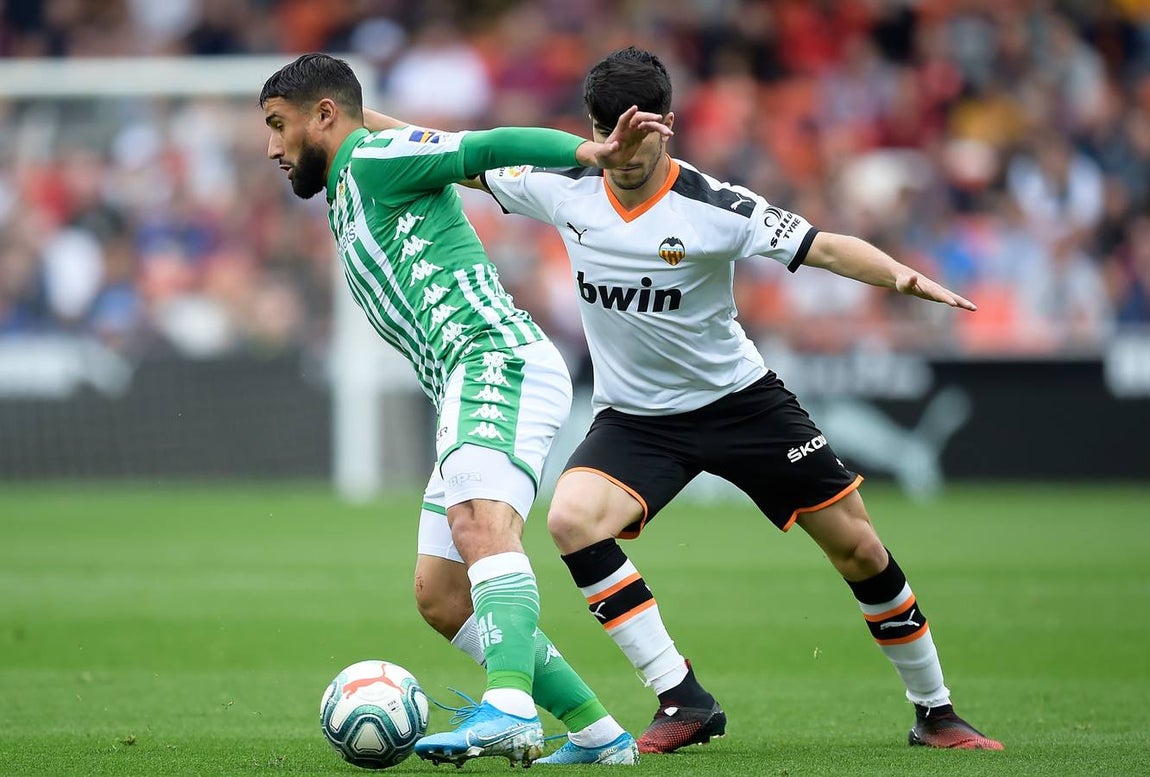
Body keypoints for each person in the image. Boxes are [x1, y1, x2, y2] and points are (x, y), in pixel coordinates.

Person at [471, 46, 1004, 754]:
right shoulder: (561, 184)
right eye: (614, 139)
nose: (626, 156)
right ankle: (682, 698)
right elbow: (442, 154)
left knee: (859, 546)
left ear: (669, 124)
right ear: (595, 127)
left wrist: (902, 277)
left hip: (740, 403)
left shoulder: (714, 206)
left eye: (643, 138)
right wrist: (359, 136)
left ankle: (935, 711)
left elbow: (827, 247)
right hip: (637, 419)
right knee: (571, 517)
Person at [259, 52, 671, 767]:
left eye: (277, 125)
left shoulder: (374, 161)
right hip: (460, 380)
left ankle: (509, 708)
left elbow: (482, 147)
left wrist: (588, 151)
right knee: (443, 593)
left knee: (480, 522)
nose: (270, 147)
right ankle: (598, 734)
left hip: (494, 359)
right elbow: (385, 132)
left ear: (323, 115)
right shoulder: (352, 180)